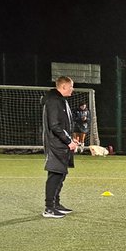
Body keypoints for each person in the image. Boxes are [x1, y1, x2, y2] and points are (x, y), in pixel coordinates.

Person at [42, 76, 79, 218]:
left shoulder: (60, 100)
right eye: (71, 86)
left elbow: (63, 124)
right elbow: (55, 126)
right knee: (55, 175)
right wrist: (69, 141)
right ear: (63, 87)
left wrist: (72, 139)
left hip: (61, 144)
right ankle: (49, 208)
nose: (72, 89)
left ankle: (56, 204)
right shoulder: (53, 101)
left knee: (61, 174)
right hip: (55, 145)